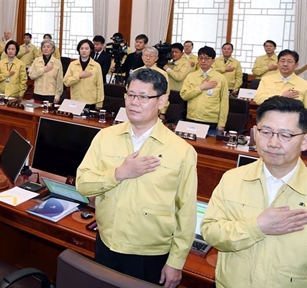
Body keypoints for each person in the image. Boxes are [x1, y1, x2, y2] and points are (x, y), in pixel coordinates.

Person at [76, 68, 197, 288]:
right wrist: (119, 173)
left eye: (143, 97)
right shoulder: (106, 137)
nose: (134, 102)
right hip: (107, 244)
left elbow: (186, 212)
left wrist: (176, 262)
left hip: (150, 254)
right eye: (130, 95)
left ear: (162, 101)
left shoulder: (182, 151)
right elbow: (83, 184)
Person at [201, 96, 307, 288]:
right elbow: (210, 232)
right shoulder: (232, 179)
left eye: (285, 135)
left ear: (305, 141)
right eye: (266, 132)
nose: (273, 143)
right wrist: (257, 227)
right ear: (255, 134)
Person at [180, 46, 229, 136]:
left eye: (207, 59)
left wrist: (222, 123)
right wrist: (201, 88)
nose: (203, 61)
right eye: (201, 58)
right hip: (192, 118)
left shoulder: (221, 78)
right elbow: (184, 95)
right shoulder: (191, 76)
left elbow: (224, 102)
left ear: (213, 61)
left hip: (210, 120)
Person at [63, 39, 104, 109]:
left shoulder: (96, 66)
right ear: (79, 50)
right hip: (76, 100)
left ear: (91, 50)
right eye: (81, 48)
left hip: (91, 101)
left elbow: (99, 85)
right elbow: (66, 82)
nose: (84, 50)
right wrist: (79, 76)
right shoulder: (72, 64)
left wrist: (99, 103)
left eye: (86, 48)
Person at [132, 47, 170, 115]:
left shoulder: (162, 74)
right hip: (137, 106)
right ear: (142, 57)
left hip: (154, 108)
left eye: (151, 56)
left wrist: (162, 111)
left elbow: (166, 93)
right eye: (146, 55)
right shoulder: (136, 72)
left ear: (156, 58)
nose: (148, 58)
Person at [29, 39, 64, 103]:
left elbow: (60, 80)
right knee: (36, 112)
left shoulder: (57, 62)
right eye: (44, 47)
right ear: (41, 49)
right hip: (38, 92)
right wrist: (43, 70)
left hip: (51, 93)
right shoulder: (36, 60)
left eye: (48, 47)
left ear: (52, 49)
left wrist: (58, 95)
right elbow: (31, 76)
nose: (45, 49)